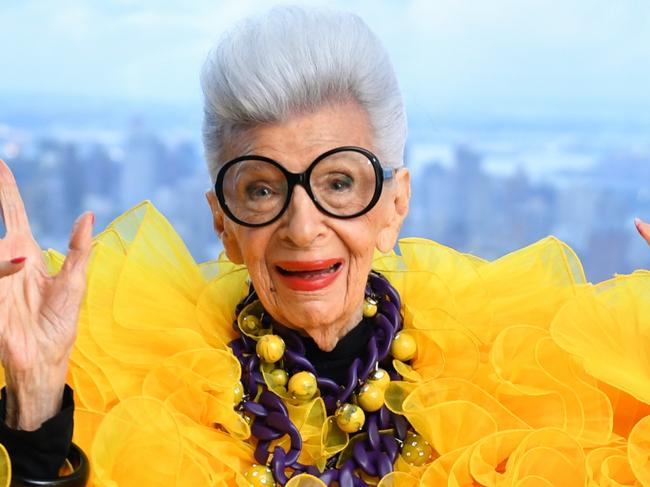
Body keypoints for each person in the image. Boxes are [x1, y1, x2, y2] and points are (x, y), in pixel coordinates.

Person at [1, 6, 650, 487]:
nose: (302, 226)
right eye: (260, 189)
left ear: (395, 205)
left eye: (339, 182)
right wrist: (33, 403)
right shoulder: (117, 389)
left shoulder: (532, 379)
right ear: (225, 224)